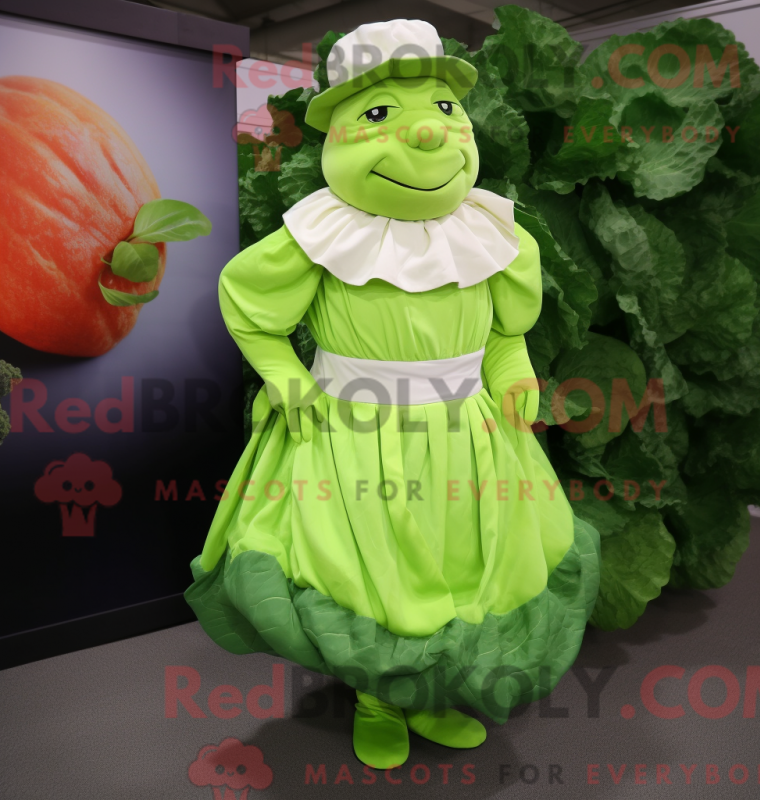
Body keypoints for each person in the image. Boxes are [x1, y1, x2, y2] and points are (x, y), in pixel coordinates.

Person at [186, 18, 600, 769]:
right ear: (338, 133)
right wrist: (283, 374)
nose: (431, 132)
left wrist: (512, 369)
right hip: (354, 434)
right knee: (371, 575)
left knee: (455, 564)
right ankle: (378, 698)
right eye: (379, 113)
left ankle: (430, 694)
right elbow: (250, 308)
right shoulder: (321, 234)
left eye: (444, 108)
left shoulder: (491, 232)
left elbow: (504, 331)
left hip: (466, 435)